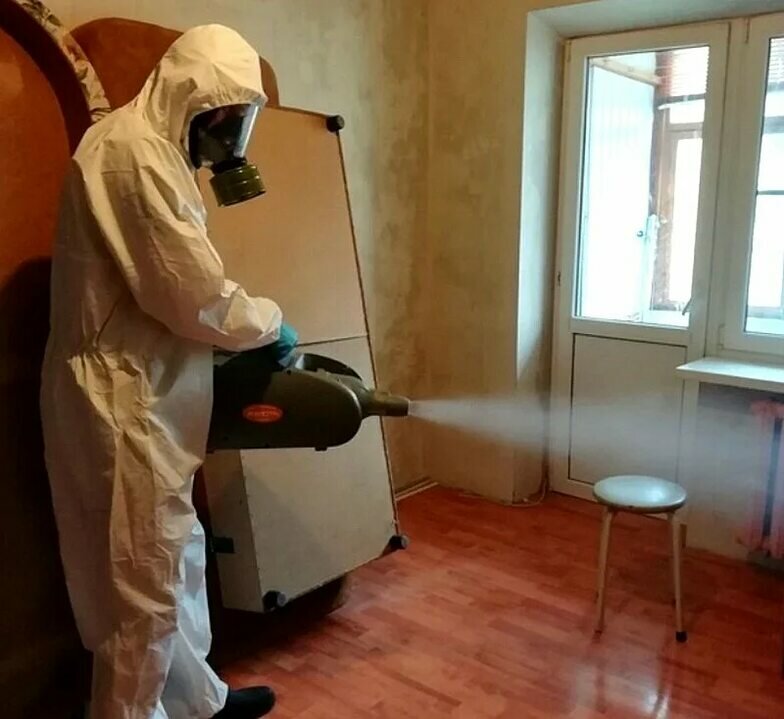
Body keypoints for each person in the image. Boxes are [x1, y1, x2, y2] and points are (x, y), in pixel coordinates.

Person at [40, 24, 291, 719]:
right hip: (121, 404)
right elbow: (193, 295)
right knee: (141, 594)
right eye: (225, 116)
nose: (230, 135)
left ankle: (198, 702)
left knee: (175, 558)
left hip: (146, 393)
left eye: (238, 119)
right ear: (193, 98)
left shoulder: (157, 149)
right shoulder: (132, 156)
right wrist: (268, 323)